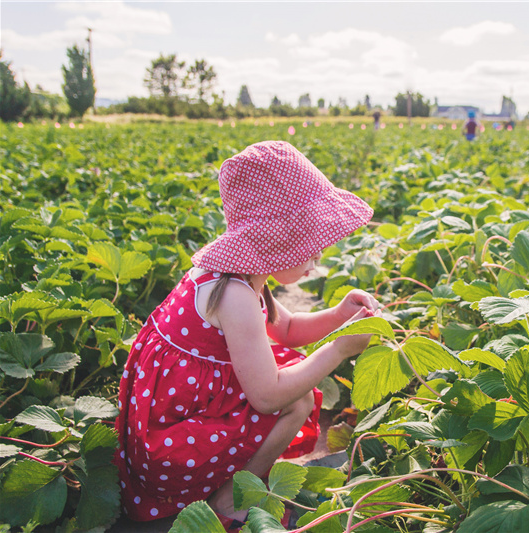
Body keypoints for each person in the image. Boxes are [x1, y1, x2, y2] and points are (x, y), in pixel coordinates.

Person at [114, 141, 380, 530]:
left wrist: (340, 315)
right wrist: (338, 350)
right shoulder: (234, 294)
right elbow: (266, 395)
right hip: (170, 441)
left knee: (289, 369)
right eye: (309, 245)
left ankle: (234, 484)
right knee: (296, 398)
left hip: (180, 409)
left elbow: (286, 330)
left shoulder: (241, 275)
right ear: (275, 241)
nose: (318, 256)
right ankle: (233, 498)